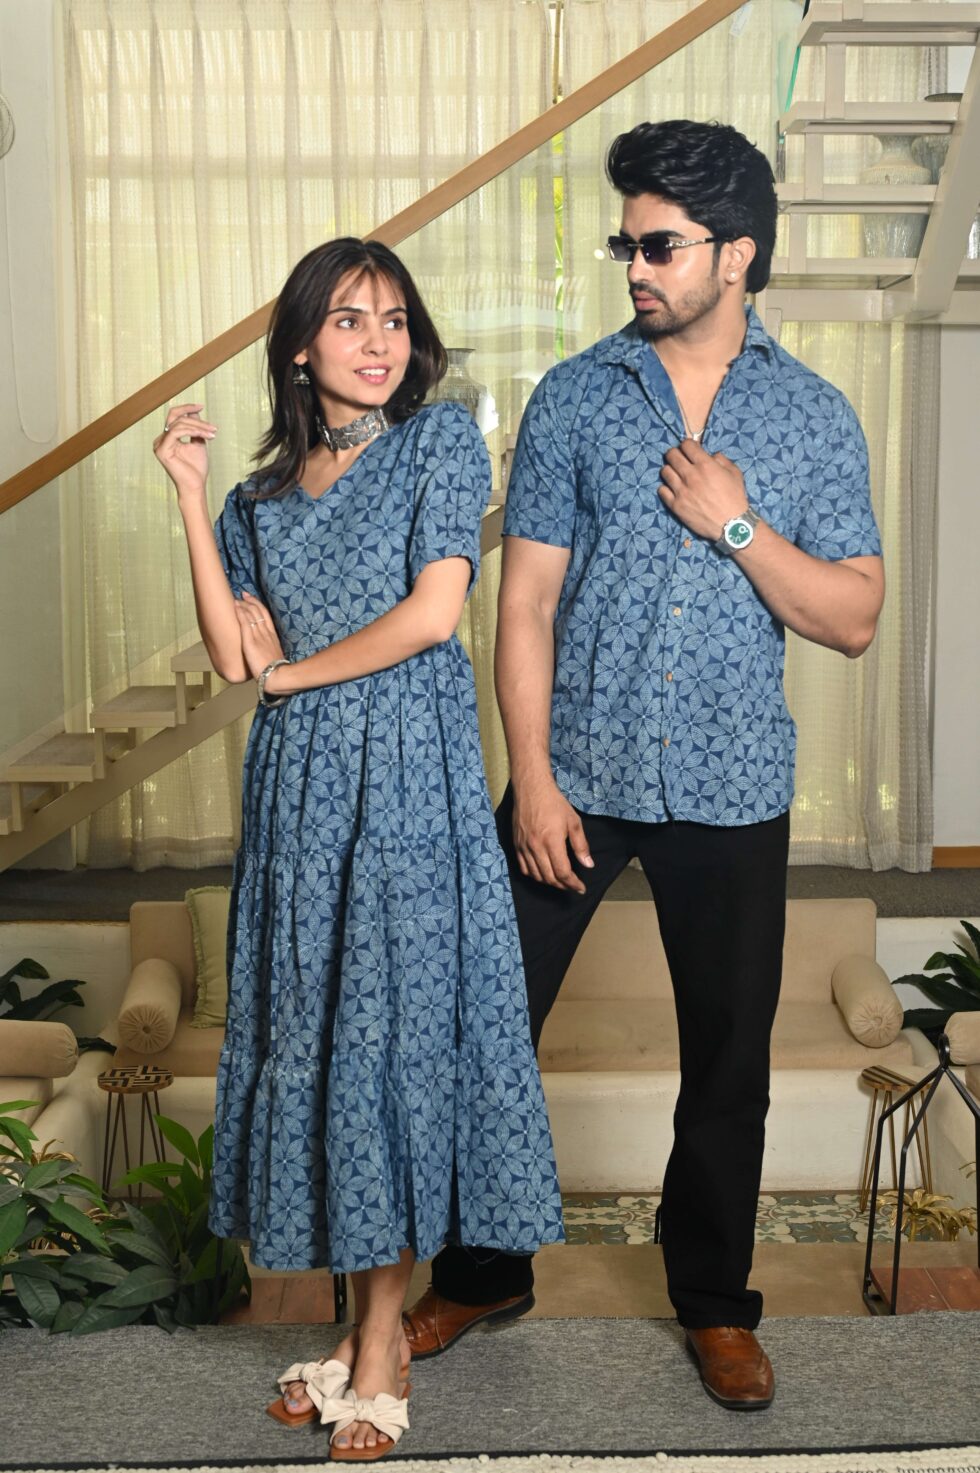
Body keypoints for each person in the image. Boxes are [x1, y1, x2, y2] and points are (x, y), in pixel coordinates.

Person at [403, 119, 885, 1411]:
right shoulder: (575, 397)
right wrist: (533, 776)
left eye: (658, 244)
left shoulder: (813, 417)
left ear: (737, 254)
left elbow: (852, 616)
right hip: (575, 773)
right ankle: (481, 1272)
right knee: (481, 1028)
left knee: (728, 1067)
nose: (634, 266)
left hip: (732, 788)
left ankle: (715, 1303)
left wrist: (735, 523)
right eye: (625, 243)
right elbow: (523, 605)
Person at [153, 237, 564, 1460]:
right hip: (298, 803)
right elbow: (232, 654)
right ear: (298, 347)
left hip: (409, 789)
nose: (379, 341)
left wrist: (290, 675)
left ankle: (380, 1343)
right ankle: (355, 1332)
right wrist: (187, 496)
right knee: (330, 1046)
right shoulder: (258, 502)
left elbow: (432, 615)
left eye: (393, 319)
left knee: (390, 1044)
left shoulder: (437, 445)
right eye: (348, 320)